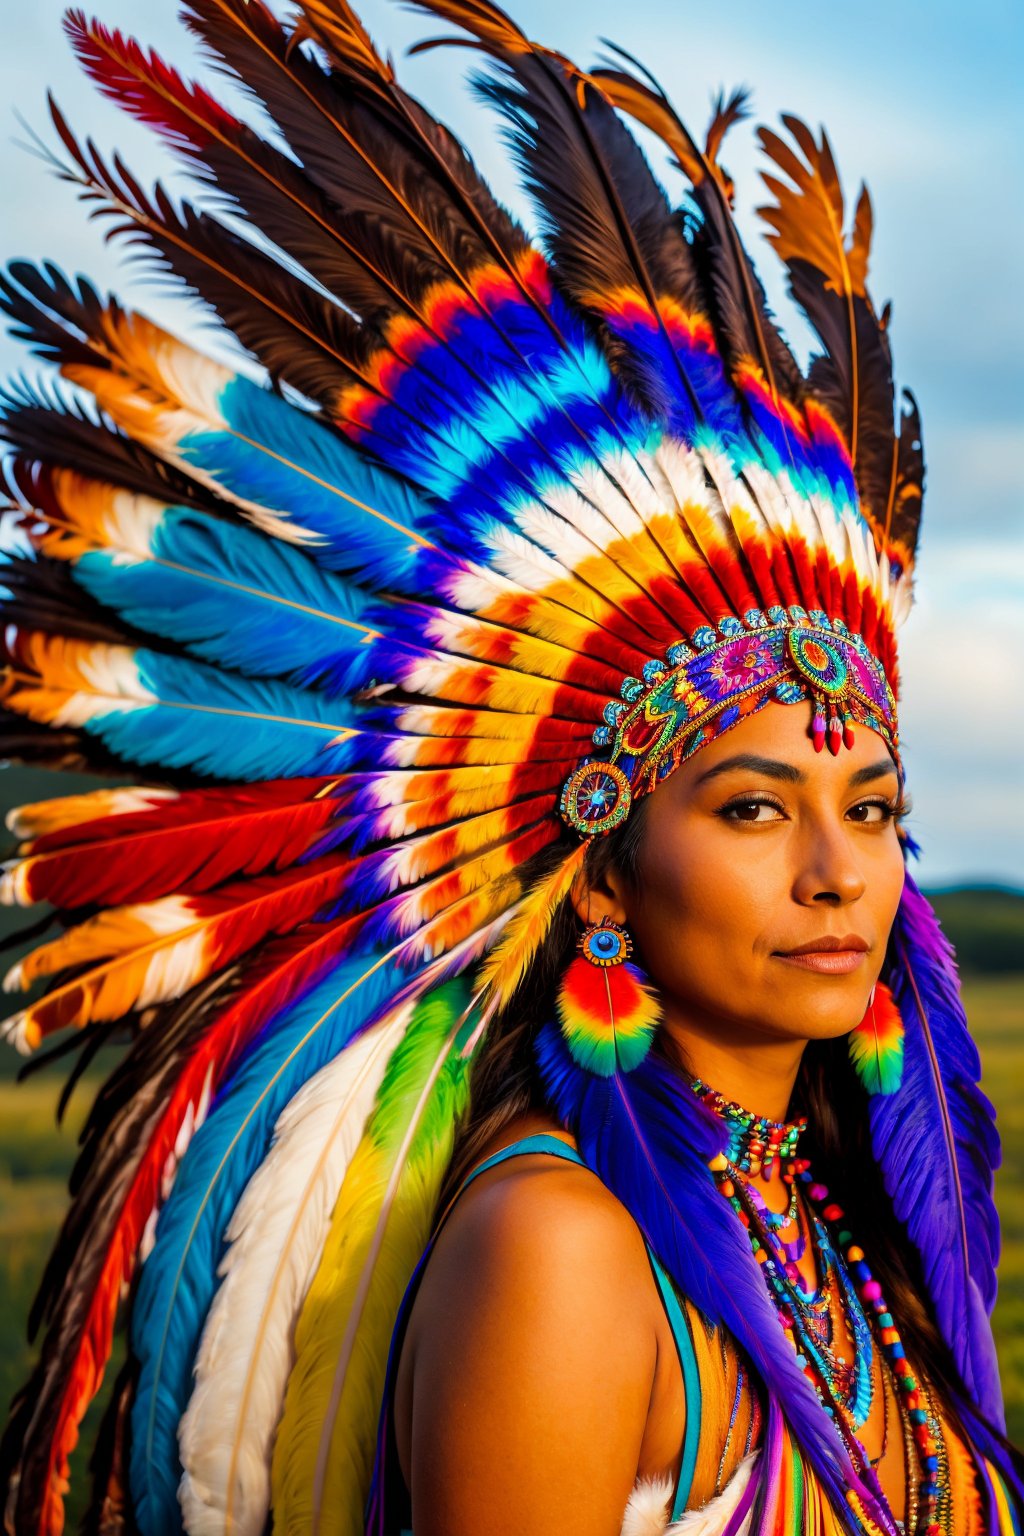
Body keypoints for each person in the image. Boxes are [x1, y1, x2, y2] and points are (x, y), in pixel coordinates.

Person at [0, 2, 1017, 1535]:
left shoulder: (821, 1201)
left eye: (873, 812)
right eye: (752, 807)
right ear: (603, 869)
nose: (838, 871)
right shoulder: (561, 1244)